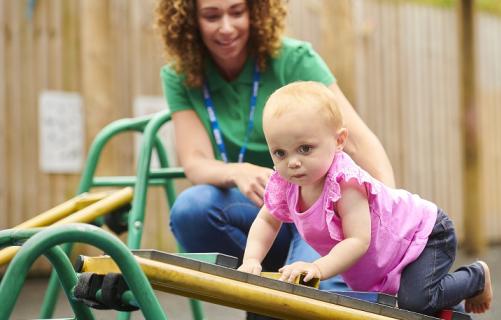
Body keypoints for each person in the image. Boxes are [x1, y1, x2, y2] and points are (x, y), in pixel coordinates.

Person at [155, 0, 394, 296]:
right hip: (262, 209)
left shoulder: (293, 59)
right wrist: (236, 171)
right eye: (212, 16)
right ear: (190, 20)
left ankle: (299, 281)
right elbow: (195, 161)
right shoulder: (181, 75)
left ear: (255, 12)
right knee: (191, 210)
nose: (226, 27)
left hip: (320, 206)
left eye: (237, 12)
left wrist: (389, 210)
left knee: (313, 286)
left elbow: (357, 140)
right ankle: (263, 277)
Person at [238, 81, 493, 316]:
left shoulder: (345, 183)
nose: (293, 162)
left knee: (414, 302)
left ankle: (475, 277)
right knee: (403, 305)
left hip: (424, 235)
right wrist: (251, 259)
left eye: (305, 149)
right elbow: (267, 221)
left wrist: (318, 268)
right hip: (386, 256)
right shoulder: (285, 184)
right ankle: (445, 301)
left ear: (339, 141)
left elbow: (359, 240)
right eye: (280, 153)